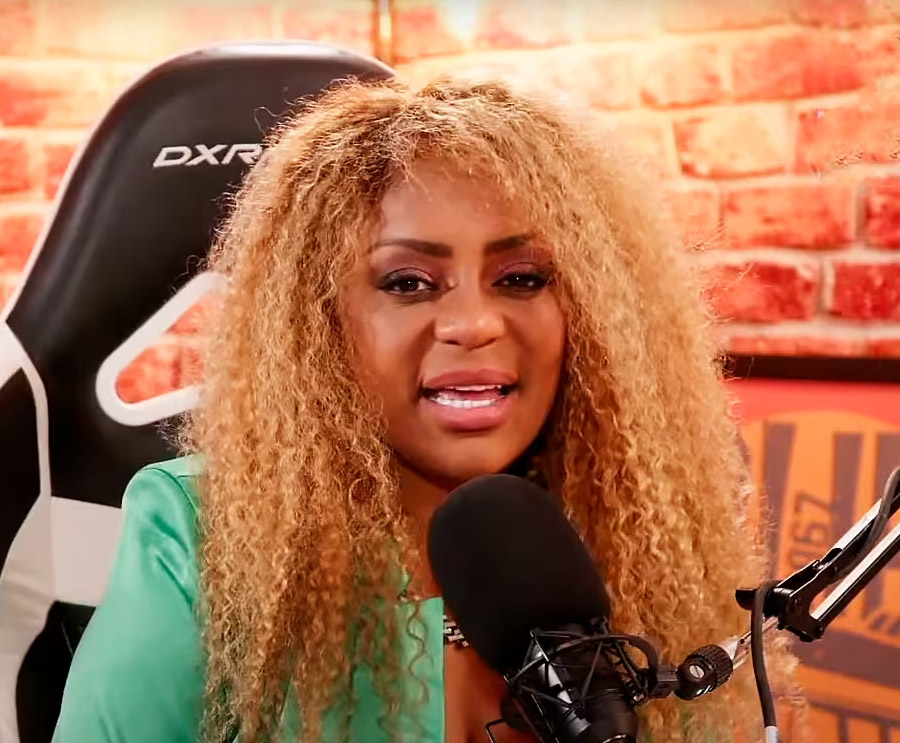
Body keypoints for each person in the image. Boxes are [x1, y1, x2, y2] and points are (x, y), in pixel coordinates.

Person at [52, 76, 797, 743]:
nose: (473, 323)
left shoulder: (642, 533)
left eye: (522, 278)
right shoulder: (201, 533)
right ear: (322, 321)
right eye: (407, 282)